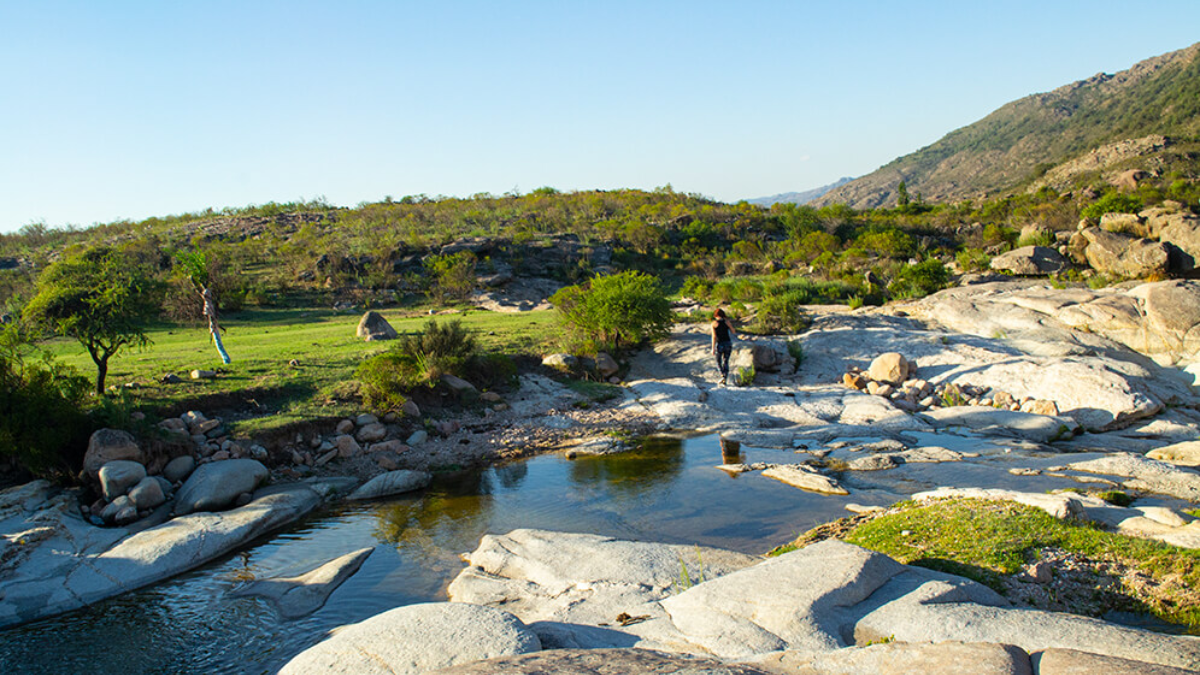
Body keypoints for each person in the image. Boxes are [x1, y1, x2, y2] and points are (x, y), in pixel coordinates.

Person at [710, 307, 736, 384]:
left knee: (718, 361)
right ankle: (725, 378)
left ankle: (722, 375)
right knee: (726, 361)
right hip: (728, 343)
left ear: (715, 315)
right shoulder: (727, 322)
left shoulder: (714, 324)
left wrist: (713, 348)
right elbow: (733, 331)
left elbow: (714, 336)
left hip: (720, 344)